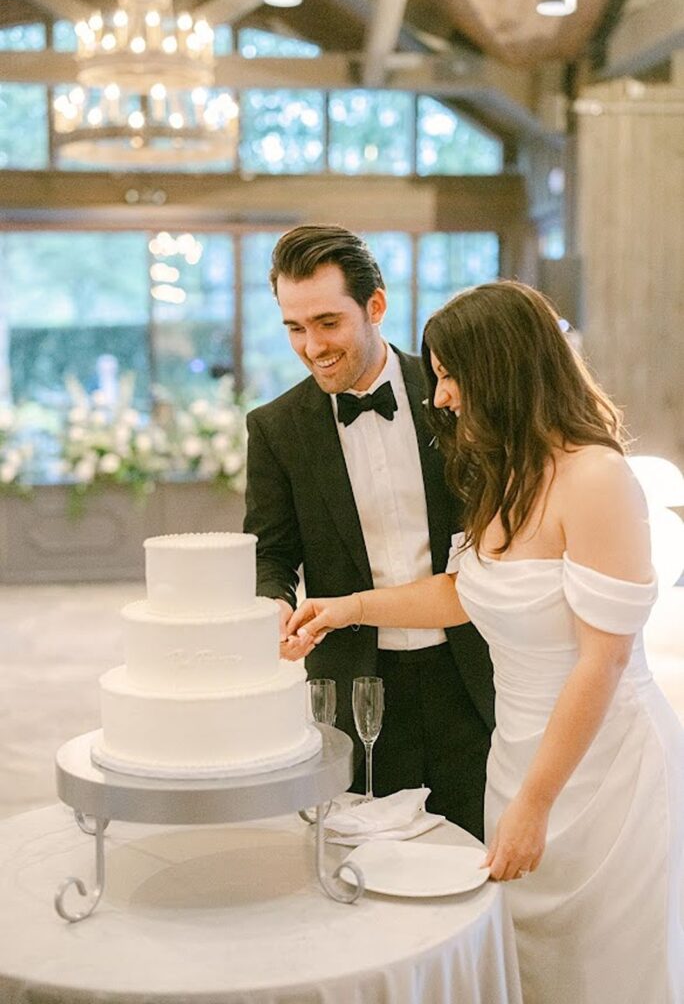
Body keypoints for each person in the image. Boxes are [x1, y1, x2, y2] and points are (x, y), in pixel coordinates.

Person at [288, 279, 684, 1004]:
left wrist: (535, 803)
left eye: (450, 374)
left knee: (605, 969)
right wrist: (349, 607)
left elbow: (606, 657)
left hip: (604, 771)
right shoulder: (503, 473)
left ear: (503, 369)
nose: (440, 395)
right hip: (517, 753)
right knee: (529, 965)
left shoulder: (597, 479)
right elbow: (464, 592)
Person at [243, 224, 494, 839]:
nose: (311, 346)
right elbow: (271, 552)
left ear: (375, 306)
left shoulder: (453, 399)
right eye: (295, 327)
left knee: (480, 846)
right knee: (367, 856)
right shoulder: (276, 428)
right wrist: (272, 602)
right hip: (358, 684)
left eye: (328, 323)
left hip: (472, 670)